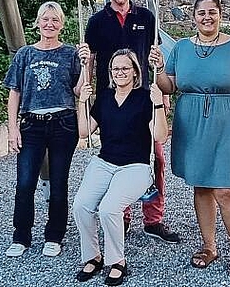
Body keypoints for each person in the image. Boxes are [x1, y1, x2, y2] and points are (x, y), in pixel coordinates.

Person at [149, 0, 230, 277]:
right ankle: (209, 246)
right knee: (201, 185)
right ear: (194, 17)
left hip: (227, 123)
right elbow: (169, 87)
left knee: (226, 189)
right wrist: (159, 69)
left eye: (212, 12)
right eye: (201, 13)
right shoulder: (182, 48)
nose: (207, 17)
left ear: (220, 15)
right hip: (191, 122)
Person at [84, 0, 180, 243]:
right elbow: (90, 60)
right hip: (111, 100)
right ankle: (121, 215)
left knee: (156, 159)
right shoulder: (97, 22)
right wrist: (85, 90)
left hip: (143, 97)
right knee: (117, 159)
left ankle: (153, 219)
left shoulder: (147, 17)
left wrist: (162, 95)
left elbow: (154, 57)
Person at [72, 49, 169, 286]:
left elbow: (161, 136)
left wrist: (158, 105)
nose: (120, 72)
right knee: (81, 205)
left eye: (126, 68)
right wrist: (81, 101)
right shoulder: (105, 97)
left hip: (136, 166)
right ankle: (93, 256)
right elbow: (84, 131)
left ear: (136, 72)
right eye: (116, 69)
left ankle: (117, 261)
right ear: (110, 72)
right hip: (104, 162)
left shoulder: (146, 97)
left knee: (108, 209)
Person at [2, 1, 87, 258]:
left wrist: (87, 64)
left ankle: (54, 235)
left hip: (63, 123)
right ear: (38, 23)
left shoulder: (70, 53)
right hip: (32, 125)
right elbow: (14, 93)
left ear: (61, 24)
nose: (50, 24)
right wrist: (12, 128)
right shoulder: (25, 54)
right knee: (25, 182)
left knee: (59, 182)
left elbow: (79, 90)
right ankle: (21, 236)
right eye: (45, 19)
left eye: (55, 20)